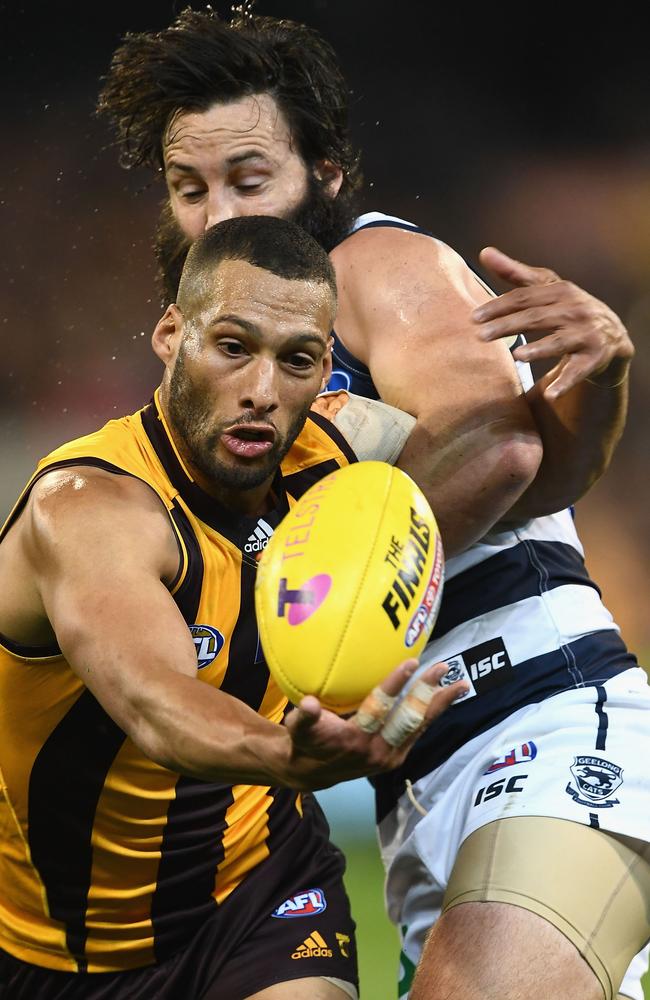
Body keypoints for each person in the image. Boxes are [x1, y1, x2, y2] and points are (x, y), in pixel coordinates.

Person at [97, 12, 650, 1000]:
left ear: (326, 174)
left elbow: (501, 443)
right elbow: (544, 461)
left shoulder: (367, 266)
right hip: (420, 774)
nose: (218, 213)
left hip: (536, 708)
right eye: (191, 189)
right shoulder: (223, 367)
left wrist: (304, 586)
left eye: (249, 178)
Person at [0, 215, 465, 1000]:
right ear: (171, 334)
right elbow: (156, 704)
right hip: (50, 945)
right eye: (233, 347)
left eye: (298, 362)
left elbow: (488, 440)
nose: (262, 391)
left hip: (260, 893)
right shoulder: (89, 512)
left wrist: (595, 384)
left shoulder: (332, 453)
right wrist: (286, 757)